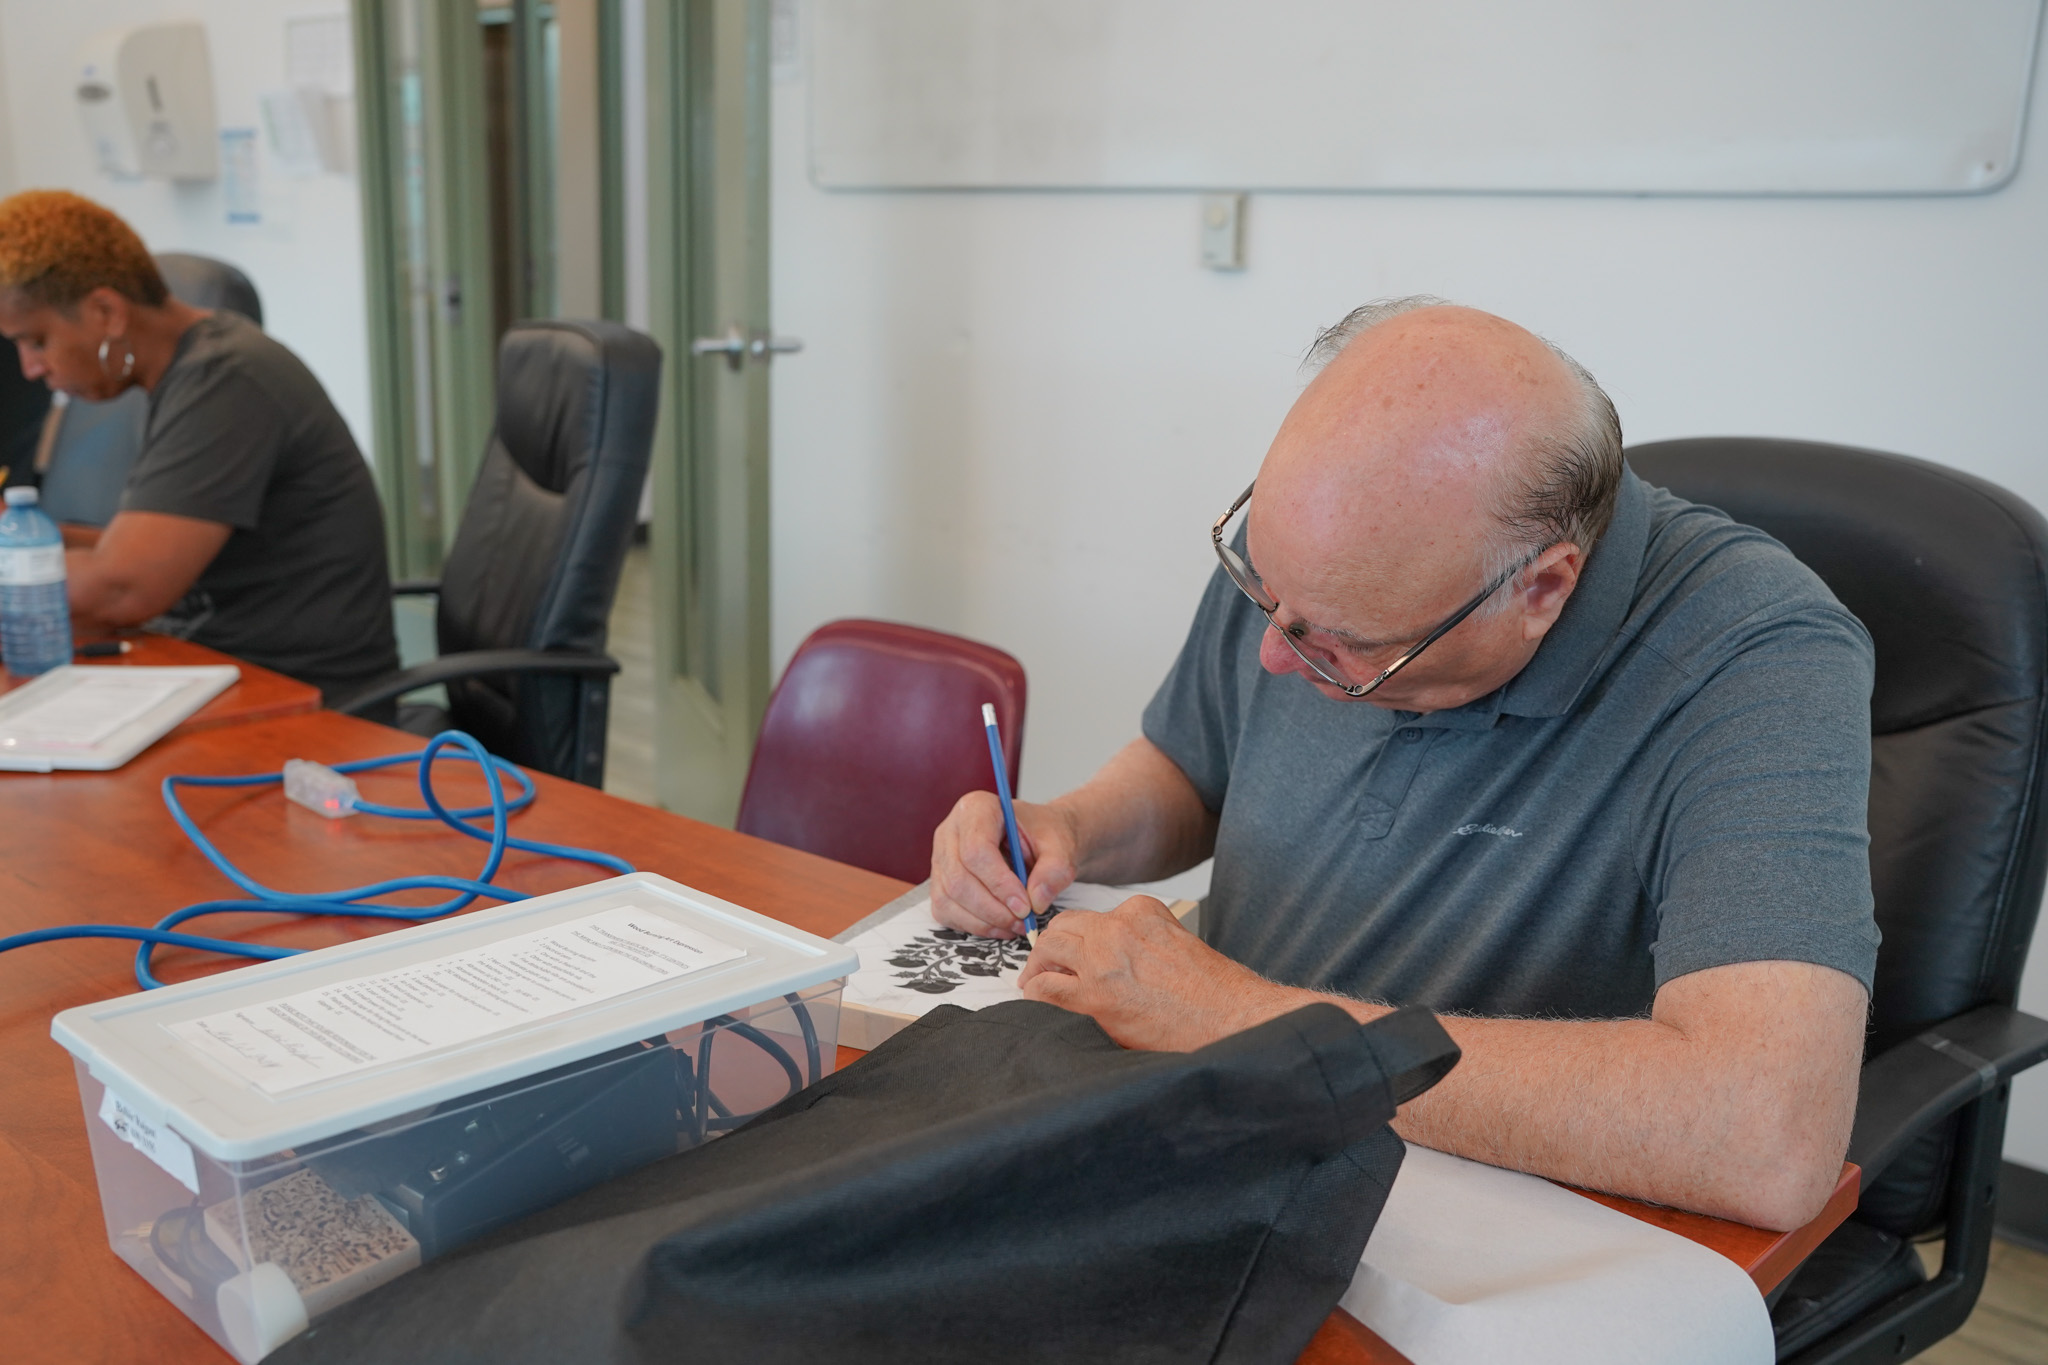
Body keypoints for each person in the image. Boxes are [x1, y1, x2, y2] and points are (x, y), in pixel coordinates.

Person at [930, 298, 1876, 1233]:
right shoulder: (1314, 562)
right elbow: (1191, 769)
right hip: (1214, 1129)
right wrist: (1069, 827)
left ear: (1541, 588)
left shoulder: (1755, 656)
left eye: (1346, 646)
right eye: (1263, 591)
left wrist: (1236, 1020)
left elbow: (1764, 1135)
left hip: (1468, 1216)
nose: (1277, 654)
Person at [0, 190, 395, 702]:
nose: (32, 368)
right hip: (219, 667)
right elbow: (130, 547)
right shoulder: (186, 373)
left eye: (37, 342)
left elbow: (123, 586)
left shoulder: (228, 383)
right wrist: (26, 539)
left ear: (106, 312)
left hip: (309, 702)